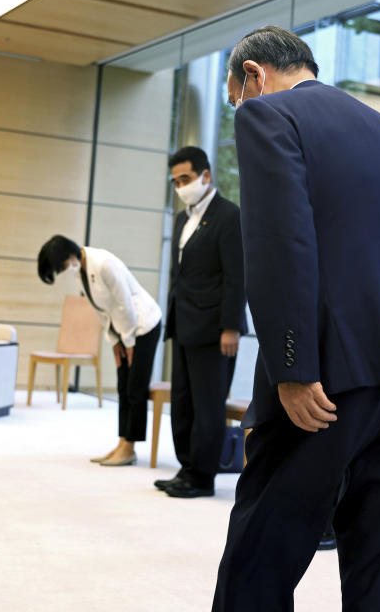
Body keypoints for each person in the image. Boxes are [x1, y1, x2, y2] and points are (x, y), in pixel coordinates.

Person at [212, 25, 380, 612]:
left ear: (254, 76)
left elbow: (280, 245)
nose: (238, 111)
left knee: (263, 544)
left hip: (329, 382)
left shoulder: (268, 116)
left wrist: (294, 368)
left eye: (235, 99)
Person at [155, 146, 248, 499]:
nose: (180, 186)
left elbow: (236, 276)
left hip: (214, 329)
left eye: (186, 179)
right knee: (183, 402)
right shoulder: (183, 218)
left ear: (206, 176)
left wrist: (231, 326)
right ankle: (187, 466)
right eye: (176, 180)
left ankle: (203, 476)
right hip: (184, 324)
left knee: (208, 406)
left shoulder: (229, 215)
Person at [37, 235, 162, 466]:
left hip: (144, 325)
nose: (64, 270)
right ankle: (123, 442)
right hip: (123, 328)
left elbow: (124, 302)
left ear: (69, 254)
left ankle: (130, 447)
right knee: (123, 384)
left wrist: (130, 342)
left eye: (61, 265)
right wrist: (115, 342)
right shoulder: (80, 272)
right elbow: (102, 310)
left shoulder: (103, 263)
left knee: (135, 386)